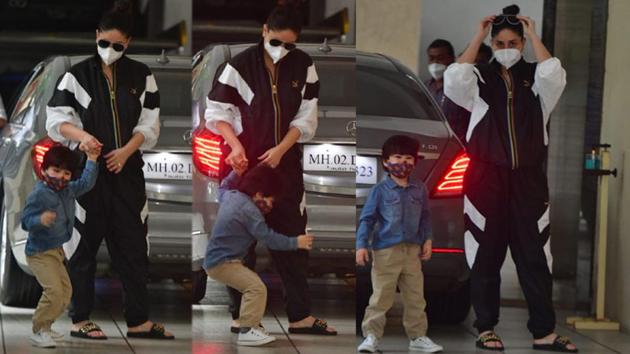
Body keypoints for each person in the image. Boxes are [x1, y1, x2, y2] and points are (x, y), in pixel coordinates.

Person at [444, 5, 576, 352]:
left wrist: (533, 34)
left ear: (522, 43)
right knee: (485, 255)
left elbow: (554, 72)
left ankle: (544, 332)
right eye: (500, 42)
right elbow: (455, 79)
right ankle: (486, 328)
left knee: (535, 256)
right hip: (485, 178)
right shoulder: (479, 78)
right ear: (492, 43)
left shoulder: (538, 81)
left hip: (528, 181)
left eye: (513, 42)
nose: (506, 48)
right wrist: (478, 34)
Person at [204, 5, 336, 335]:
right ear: (265, 31)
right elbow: (217, 114)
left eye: (289, 45)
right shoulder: (238, 65)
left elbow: (306, 118)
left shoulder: (304, 65)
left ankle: (300, 316)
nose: (282, 51)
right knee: (239, 242)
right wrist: (235, 146)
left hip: (285, 165)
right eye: (276, 41)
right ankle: (242, 317)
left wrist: (280, 150)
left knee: (292, 236)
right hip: (243, 166)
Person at [45, 0, 173, 340]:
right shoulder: (76, 76)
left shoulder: (142, 76)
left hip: (128, 174)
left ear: (127, 43)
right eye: (105, 42)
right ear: (96, 36)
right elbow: (56, 122)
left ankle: (139, 321)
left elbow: (150, 126)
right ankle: (80, 319)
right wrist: (84, 138)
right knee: (83, 247)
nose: (110, 50)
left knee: (133, 247)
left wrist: (127, 152)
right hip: (87, 176)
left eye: (118, 45)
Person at [204, 165, 314, 346]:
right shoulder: (251, 213)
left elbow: (223, 185)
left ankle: (250, 325)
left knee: (253, 287)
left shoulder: (232, 196)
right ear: (259, 192)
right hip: (224, 263)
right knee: (256, 288)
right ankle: (247, 330)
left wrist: (234, 171)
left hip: (218, 261)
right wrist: (296, 242)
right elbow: (269, 238)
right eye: (270, 198)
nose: (271, 204)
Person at [356, 135, 443, 353]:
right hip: (386, 251)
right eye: (397, 157)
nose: (402, 163)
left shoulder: (419, 189)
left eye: (408, 158)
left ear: (415, 161)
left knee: (415, 297)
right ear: (385, 161)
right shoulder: (380, 190)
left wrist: (428, 240)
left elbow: (425, 217)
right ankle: (371, 337)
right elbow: (367, 219)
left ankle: (418, 337)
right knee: (381, 297)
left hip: (412, 251)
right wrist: (361, 245)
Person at [21, 145, 99, 348]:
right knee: (54, 291)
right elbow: (25, 221)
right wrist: (40, 219)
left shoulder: (68, 189)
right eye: (56, 171)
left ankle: (46, 327)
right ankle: (39, 329)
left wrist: (91, 159)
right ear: (44, 169)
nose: (61, 177)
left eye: (66, 173)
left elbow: (86, 183)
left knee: (65, 292)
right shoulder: (40, 194)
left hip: (56, 251)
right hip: (39, 253)